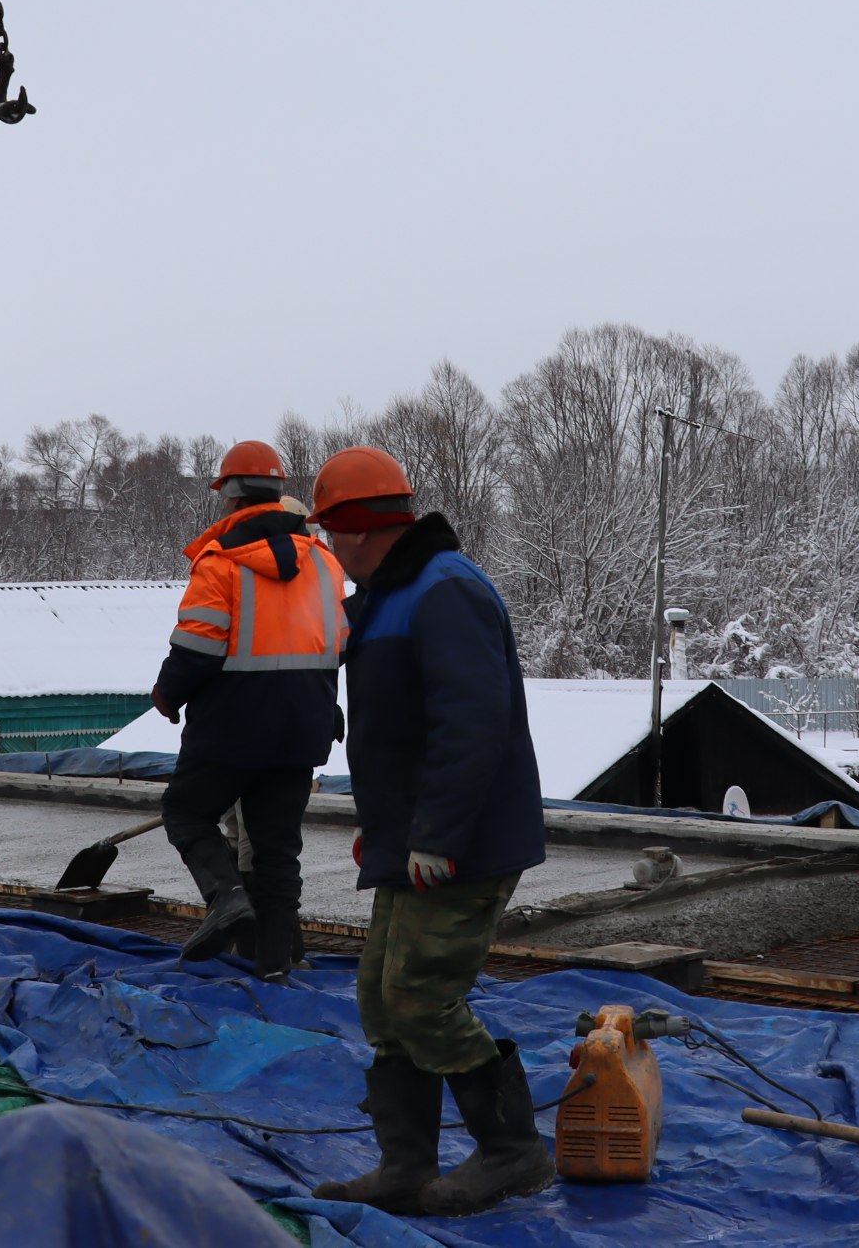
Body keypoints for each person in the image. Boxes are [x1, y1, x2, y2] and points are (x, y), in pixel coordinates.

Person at [306, 446, 553, 1219]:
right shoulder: (393, 594)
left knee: (419, 997)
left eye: (331, 535)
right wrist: (385, 833)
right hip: (412, 839)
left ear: (354, 531)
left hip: (463, 844)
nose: (332, 553)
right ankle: (405, 1166)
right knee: (382, 1000)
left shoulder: (444, 590)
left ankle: (514, 1153)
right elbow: (401, 731)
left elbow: (470, 725)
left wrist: (437, 835)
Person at [151, 441, 346, 979]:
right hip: (303, 726)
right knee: (278, 849)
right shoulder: (326, 564)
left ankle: (226, 897)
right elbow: (338, 644)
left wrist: (167, 696)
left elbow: (197, 648)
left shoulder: (221, 563)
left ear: (229, 496)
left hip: (231, 729)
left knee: (187, 812)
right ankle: (275, 963)